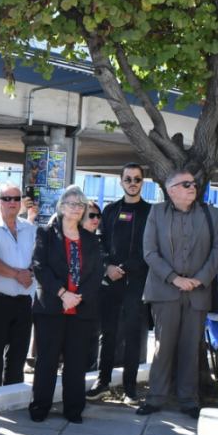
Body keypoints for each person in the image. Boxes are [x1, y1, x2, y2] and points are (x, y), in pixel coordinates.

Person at [140, 167, 218, 418]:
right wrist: (174, 278)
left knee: (191, 347)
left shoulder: (212, 214)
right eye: (186, 184)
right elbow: (150, 252)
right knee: (163, 346)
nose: (192, 187)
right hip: (165, 290)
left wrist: (199, 279)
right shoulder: (156, 212)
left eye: (193, 184)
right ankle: (155, 398)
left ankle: (189, 401)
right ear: (171, 190)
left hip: (198, 291)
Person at [27, 187, 102, 423]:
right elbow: (39, 266)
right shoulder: (46, 233)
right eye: (72, 203)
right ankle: (40, 406)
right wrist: (62, 293)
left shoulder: (91, 239)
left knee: (76, 362)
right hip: (51, 306)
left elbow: (96, 273)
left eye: (81, 204)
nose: (77, 208)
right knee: (47, 360)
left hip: (81, 308)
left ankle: (73, 409)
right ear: (61, 207)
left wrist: (77, 296)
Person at [91, 163, 153, 402]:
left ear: (142, 182)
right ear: (121, 182)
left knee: (132, 335)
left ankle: (130, 387)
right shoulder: (110, 210)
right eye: (128, 179)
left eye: (137, 179)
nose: (132, 183)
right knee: (107, 333)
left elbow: (149, 248)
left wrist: (125, 268)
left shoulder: (150, 212)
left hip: (136, 282)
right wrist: (107, 266)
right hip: (111, 281)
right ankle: (102, 382)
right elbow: (100, 242)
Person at [0, 182, 35, 390]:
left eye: (16, 198)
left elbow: (38, 258)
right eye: (6, 198)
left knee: (18, 354)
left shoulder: (29, 228)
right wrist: (17, 274)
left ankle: (13, 396)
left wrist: (29, 273)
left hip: (24, 301)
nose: (12, 202)